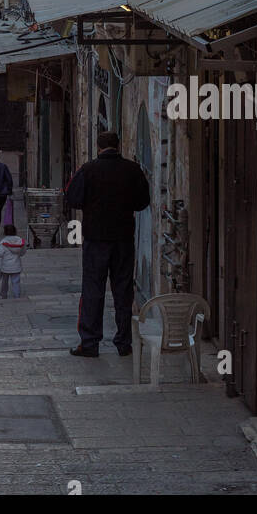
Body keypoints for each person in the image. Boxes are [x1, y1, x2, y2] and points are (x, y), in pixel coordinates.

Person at [64, 130, 150, 358]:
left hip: (96, 239)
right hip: (123, 239)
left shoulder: (88, 170)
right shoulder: (132, 170)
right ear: (118, 146)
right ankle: (124, 342)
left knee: (93, 289)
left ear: (98, 146)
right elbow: (143, 202)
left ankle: (90, 342)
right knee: (123, 291)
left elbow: (72, 197)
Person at [0, 224, 25, 299]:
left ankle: (3, 295)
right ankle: (17, 295)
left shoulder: (3, 242)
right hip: (16, 266)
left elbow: (0, 253)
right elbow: (23, 252)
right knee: (16, 282)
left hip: (5, 267)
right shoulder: (19, 241)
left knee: (4, 282)